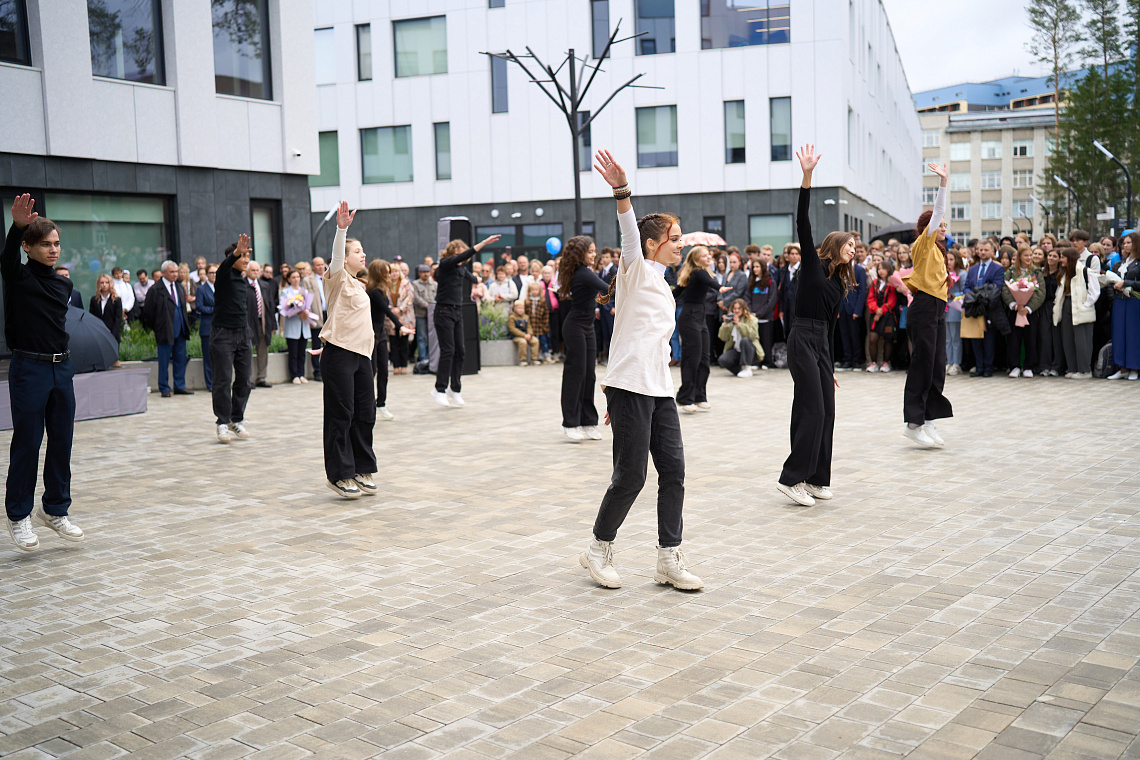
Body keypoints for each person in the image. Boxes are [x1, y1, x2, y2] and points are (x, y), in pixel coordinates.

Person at [581, 149, 702, 591]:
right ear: (653, 244)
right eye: (675, 237)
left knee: (674, 472)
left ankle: (668, 558)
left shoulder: (663, 284)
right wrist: (622, 191)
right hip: (631, 387)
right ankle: (598, 548)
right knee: (631, 475)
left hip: (658, 390)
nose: (681, 243)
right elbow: (629, 232)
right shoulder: (635, 268)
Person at [3, 194, 85, 551]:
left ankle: (54, 510)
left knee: (62, 441)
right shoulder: (18, 278)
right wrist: (17, 226)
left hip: (61, 368)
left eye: (57, 244)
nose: (53, 250)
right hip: (29, 368)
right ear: (27, 247)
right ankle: (19, 516)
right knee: (27, 443)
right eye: (45, 245)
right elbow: (6, 260)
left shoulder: (63, 284)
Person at [776, 145, 856, 508]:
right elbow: (802, 222)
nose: (854, 249)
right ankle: (791, 479)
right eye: (850, 244)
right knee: (814, 409)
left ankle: (817, 478)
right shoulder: (811, 265)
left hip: (821, 343)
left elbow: (834, 326)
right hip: (801, 338)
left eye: (856, 246)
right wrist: (807, 178)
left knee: (829, 409)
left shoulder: (841, 282)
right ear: (835, 247)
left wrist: (831, 365)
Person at [321, 202, 379, 498]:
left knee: (365, 414)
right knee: (341, 415)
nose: (363, 254)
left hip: (362, 357)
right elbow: (336, 256)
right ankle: (339, 475)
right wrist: (342, 229)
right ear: (344, 258)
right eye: (357, 251)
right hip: (340, 354)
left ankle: (360, 467)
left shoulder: (359, 285)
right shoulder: (338, 279)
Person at [900, 161, 952, 448]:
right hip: (923, 309)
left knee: (937, 365)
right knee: (922, 364)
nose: (943, 227)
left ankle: (928, 419)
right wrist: (943, 183)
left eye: (943, 226)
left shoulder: (939, 253)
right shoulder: (923, 244)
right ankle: (913, 423)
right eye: (939, 225)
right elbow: (939, 211)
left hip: (937, 310)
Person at [432, 233, 501, 407]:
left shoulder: (461, 269)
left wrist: (481, 279)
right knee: (448, 350)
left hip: (457, 311)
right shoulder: (445, 264)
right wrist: (484, 243)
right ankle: (439, 389)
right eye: (459, 251)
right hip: (443, 311)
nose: (463, 254)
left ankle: (454, 389)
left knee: (460, 351)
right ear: (453, 252)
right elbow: (465, 256)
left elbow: (475, 279)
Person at [557, 236, 609, 440]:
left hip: (587, 326)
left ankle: (588, 422)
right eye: (590, 251)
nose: (594, 254)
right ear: (580, 254)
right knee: (575, 375)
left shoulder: (586, 272)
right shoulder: (583, 273)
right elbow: (608, 288)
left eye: (594, 251)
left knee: (589, 374)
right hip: (575, 326)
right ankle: (570, 423)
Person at [208, 237, 253, 443]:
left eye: (248, 256)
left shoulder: (243, 279)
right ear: (231, 257)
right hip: (222, 334)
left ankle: (237, 419)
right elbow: (222, 268)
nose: (246, 260)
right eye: (243, 256)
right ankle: (222, 422)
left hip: (243, 334)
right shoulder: (224, 275)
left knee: (244, 379)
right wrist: (236, 253)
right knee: (222, 380)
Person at [365, 259, 411, 420]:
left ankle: (381, 404)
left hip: (381, 334)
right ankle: (368, 405)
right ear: (379, 273)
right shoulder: (374, 292)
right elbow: (387, 311)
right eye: (386, 272)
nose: (389, 275)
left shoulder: (382, 290)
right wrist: (400, 326)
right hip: (370, 334)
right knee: (372, 371)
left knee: (383, 370)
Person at [673, 245, 716, 413]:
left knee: (705, 357)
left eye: (709, 255)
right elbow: (676, 293)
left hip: (700, 317)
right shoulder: (698, 272)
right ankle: (685, 398)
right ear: (697, 259)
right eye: (705, 255)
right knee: (693, 358)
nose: (709, 257)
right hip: (689, 317)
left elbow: (676, 292)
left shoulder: (697, 274)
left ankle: (700, 396)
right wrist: (720, 288)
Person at [143, 260, 193, 398]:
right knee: (164, 361)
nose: (175, 274)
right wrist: (158, 327)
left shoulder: (179, 288)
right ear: (163, 273)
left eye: (176, 272)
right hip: (164, 331)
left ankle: (179, 386)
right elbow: (148, 313)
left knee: (180, 359)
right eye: (171, 272)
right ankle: (164, 387)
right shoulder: (155, 289)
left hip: (181, 330)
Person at [1053, 241, 1100, 379]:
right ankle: (1072, 368)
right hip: (1067, 305)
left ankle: (1084, 370)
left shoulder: (1086, 271)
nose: (1061, 260)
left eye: (1063, 257)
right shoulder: (1063, 273)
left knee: (1082, 340)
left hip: (1081, 308)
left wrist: (1086, 305)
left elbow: (1095, 291)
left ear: (1070, 258)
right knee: (1067, 339)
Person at [963, 239, 1005, 377]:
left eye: (986, 250)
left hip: (989, 308)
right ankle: (979, 367)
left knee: (989, 340)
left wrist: (978, 296)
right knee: (976, 339)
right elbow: (967, 286)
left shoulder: (998, 268)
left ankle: (988, 367)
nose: (982, 252)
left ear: (992, 251)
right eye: (980, 250)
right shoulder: (973, 268)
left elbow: (996, 288)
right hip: (974, 309)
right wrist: (972, 296)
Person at [1002, 246, 1045, 378]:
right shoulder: (1011, 271)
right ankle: (1014, 366)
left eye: (1030, 255)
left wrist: (1028, 308)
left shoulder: (1036, 271)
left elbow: (1041, 291)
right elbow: (1005, 289)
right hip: (1015, 312)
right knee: (1014, 339)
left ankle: (1028, 366)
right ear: (1020, 256)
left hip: (1030, 313)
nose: (1029, 258)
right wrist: (1015, 305)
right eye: (1026, 255)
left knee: (1030, 338)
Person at [1106, 231, 1140, 380]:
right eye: (1124, 243)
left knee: (1133, 335)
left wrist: (1126, 283)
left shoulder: (1138, 263)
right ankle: (1122, 368)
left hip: (1134, 302)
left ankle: (1134, 368)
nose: (1125, 246)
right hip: (1119, 301)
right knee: (1119, 334)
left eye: (1128, 243)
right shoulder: (1119, 263)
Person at [278, 268, 314, 385]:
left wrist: (307, 310)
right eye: (293, 277)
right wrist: (295, 310)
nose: (296, 279)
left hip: (303, 325)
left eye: (297, 277)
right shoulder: (286, 292)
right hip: (293, 325)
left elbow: (309, 306)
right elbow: (283, 308)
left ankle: (301, 373)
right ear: (288, 279)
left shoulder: (305, 291)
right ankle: (294, 375)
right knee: (293, 353)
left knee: (301, 352)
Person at [837, 247, 868, 371]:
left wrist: (857, 310)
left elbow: (862, 292)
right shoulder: (840, 269)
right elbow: (837, 291)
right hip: (842, 308)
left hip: (854, 308)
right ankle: (847, 359)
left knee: (855, 335)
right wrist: (837, 310)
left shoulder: (860, 270)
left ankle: (857, 360)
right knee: (844, 334)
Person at [246, 261, 276, 388]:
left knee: (263, 350)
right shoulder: (243, 285)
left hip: (263, 322)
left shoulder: (264, 285)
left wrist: (273, 324)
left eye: (257, 270)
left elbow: (270, 305)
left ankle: (261, 377)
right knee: (247, 350)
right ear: (247, 271)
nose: (255, 273)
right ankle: (247, 379)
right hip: (248, 323)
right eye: (253, 270)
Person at [866, 259, 897, 372]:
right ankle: (873, 363)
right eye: (879, 269)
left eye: (883, 268)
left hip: (888, 315)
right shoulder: (875, 283)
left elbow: (892, 300)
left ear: (889, 270)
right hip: (875, 315)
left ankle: (886, 362)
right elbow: (870, 299)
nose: (881, 271)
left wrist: (882, 311)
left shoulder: (892, 283)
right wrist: (876, 310)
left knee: (888, 338)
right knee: (873, 338)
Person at [1037, 247, 1064, 377]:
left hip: (1057, 306)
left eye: (1054, 256)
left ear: (1059, 259)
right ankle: (1044, 366)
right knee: (1045, 337)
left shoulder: (1061, 274)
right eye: (1050, 256)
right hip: (1044, 307)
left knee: (1057, 337)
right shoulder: (1042, 273)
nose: (1051, 258)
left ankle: (1057, 366)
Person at [717, 298, 761, 377]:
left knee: (745, 341)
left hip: (751, 351)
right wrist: (726, 325)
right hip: (737, 351)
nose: (736, 311)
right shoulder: (730, 320)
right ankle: (741, 370)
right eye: (735, 309)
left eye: (739, 308)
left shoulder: (752, 319)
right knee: (722, 360)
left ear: (744, 309)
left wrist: (739, 325)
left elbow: (752, 335)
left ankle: (747, 367)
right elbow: (722, 337)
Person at [747, 257, 778, 369]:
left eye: (757, 267)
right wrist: (751, 312)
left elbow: (771, 301)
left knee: (766, 340)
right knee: (756, 340)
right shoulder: (751, 282)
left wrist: (759, 313)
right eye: (753, 267)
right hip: (753, 318)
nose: (755, 269)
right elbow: (747, 298)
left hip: (766, 318)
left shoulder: (771, 282)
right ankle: (756, 361)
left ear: (763, 268)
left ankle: (767, 362)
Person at [387, 263, 415, 374]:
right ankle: (395, 366)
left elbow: (410, 297)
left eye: (396, 271)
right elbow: (383, 299)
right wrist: (392, 310)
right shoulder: (386, 284)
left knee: (404, 343)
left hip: (405, 316)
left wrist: (400, 309)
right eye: (392, 272)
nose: (394, 274)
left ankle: (404, 365)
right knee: (393, 343)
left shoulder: (406, 283)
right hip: (390, 317)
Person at [944, 250, 966, 376]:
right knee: (947, 339)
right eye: (947, 259)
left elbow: (964, 291)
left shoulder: (962, 274)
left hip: (955, 307)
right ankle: (949, 361)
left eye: (951, 259)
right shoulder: (943, 273)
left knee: (955, 337)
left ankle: (957, 363)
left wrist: (952, 295)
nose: (949, 262)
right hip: (944, 307)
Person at [197, 264, 217, 391]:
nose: (214, 275)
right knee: (208, 357)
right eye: (211, 273)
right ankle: (210, 384)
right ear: (206, 274)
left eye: (215, 273)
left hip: (220, 327)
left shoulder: (221, 287)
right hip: (207, 326)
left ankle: (219, 382)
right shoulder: (201, 289)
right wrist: (215, 310)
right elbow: (199, 307)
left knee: (219, 357)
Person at [411, 264, 436, 361]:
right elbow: (416, 298)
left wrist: (432, 306)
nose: (426, 274)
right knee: (421, 337)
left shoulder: (435, 284)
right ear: (419, 273)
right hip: (420, 314)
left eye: (427, 272)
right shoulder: (415, 284)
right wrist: (427, 305)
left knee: (431, 337)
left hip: (432, 314)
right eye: (423, 272)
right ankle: (423, 359)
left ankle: (431, 358)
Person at [523, 282, 553, 362]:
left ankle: (546, 355)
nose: (534, 291)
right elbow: (525, 313)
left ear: (539, 291)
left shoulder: (542, 301)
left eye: (536, 290)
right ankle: (536, 355)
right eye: (532, 290)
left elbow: (546, 313)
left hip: (540, 325)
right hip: (531, 325)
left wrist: (545, 324)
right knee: (535, 341)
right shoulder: (527, 301)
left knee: (543, 341)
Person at [89, 272, 123, 342]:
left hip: (113, 335)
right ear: (99, 284)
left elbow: (118, 319)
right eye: (102, 282)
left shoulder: (116, 300)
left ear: (111, 284)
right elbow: (92, 317)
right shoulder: (94, 300)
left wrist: (112, 334)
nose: (104, 285)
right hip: (98, 334)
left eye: (107, 282)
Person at [508, 300, 541, 366]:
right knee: (523, 342)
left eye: (522, 308)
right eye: (519, 308)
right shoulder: (512, 317)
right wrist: (524, 335)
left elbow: (529, 327)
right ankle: (523, 360)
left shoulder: (526, 317)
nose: (521, 310)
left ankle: (534, 359)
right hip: (516, 336)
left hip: (526, 335)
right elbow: (513, 329)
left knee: (535, 341)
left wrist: (529, 334)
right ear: (515, 309)